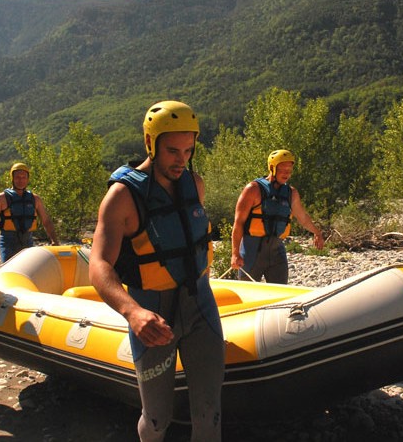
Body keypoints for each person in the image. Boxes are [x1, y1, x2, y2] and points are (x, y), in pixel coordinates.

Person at [88, 101, 223, 441]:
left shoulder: (196, 184)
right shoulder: (122, 197)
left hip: (200, 307)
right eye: (172, 150)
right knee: (158, 418)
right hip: (152, 313)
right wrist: (132, 312)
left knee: (210, 415)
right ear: (150, 143)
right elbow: (99, 264)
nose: (181, 159)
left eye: (188, 150)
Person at [230, 149, 324, 284]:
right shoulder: (253, 189)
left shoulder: (291, 193)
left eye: (289, 170)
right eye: (283, 169)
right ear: (272, 168)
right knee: (248, 292)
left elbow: (303, 218)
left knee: (281, 292)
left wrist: (317, 233)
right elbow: (238, 223)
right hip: (252, 251)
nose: (287, 173)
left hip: (276, 252)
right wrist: (235, 254)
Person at [0, 162, 59, 262]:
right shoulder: (1, 198)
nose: (21, 180)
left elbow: (46, 221)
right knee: (10, 270)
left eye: (24, 177)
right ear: (12, 178)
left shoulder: (35, 199)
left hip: (28, 240)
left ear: (27, 179)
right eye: (18, 177)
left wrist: (54, 240)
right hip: (8, 241)